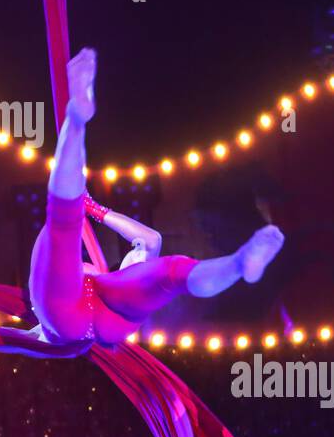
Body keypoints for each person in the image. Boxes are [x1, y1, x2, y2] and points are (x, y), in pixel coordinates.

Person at [30, 47, 285, 345]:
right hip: (96, 318)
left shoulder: (113, 277)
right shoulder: (113, 277)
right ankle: (76, 120)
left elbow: (9, 338)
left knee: (167, 271)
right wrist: (94, 209)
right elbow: (151, 240)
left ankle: (241, 263)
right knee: (69, 226)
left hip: (79, 317)